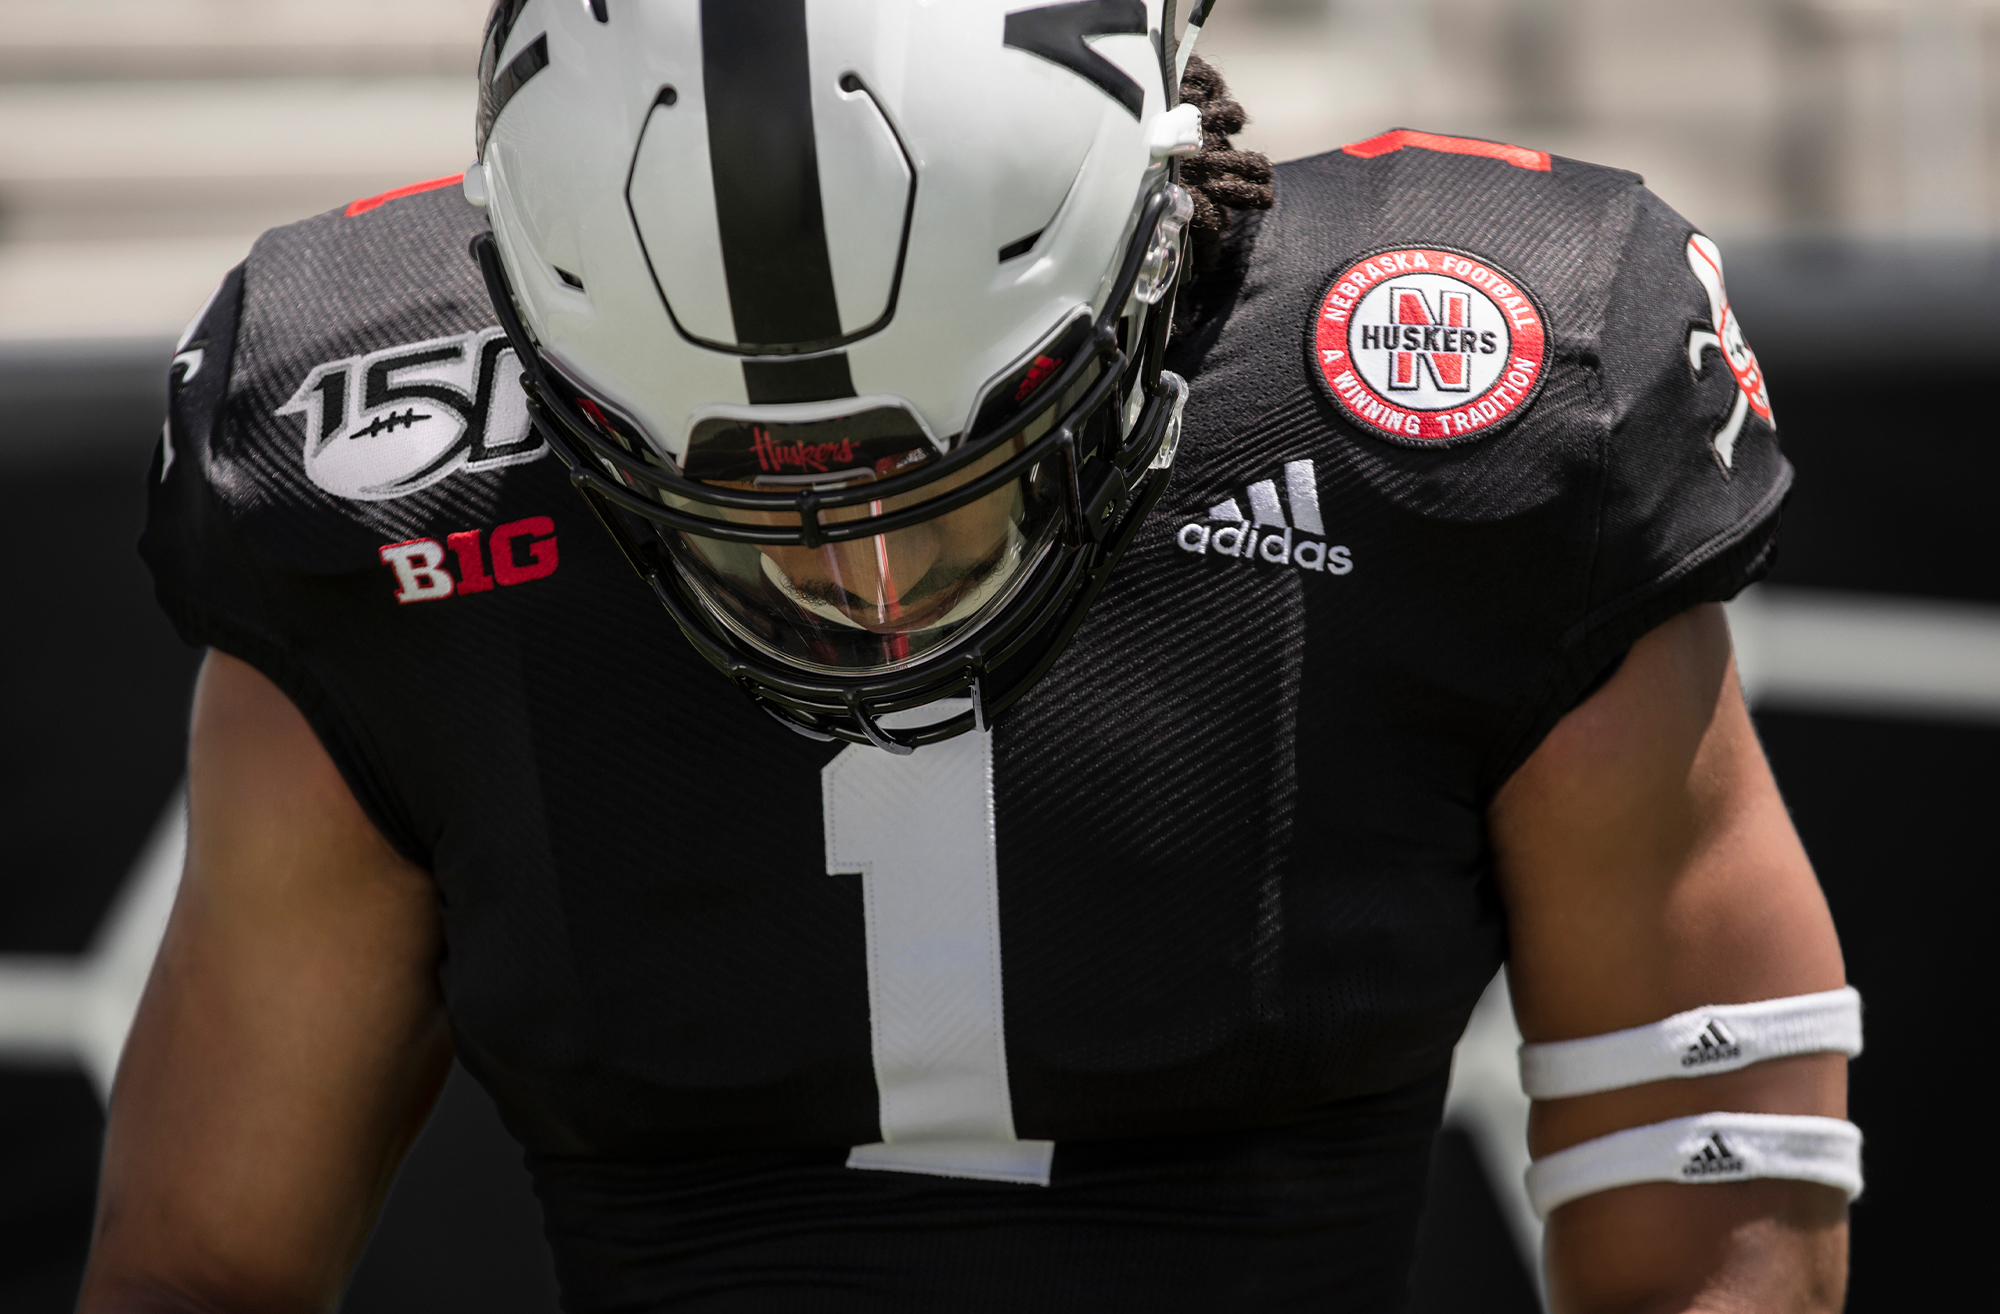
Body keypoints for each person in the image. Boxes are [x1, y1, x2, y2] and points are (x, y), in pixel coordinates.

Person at [83, 2, 1860, 1309]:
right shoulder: (367, 474)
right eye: (736, 502)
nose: (862, 577)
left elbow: (1721, 1230)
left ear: (1160, 254)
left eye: (952, 472)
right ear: (546, 363)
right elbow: (203, 1270)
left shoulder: (1475, 404)